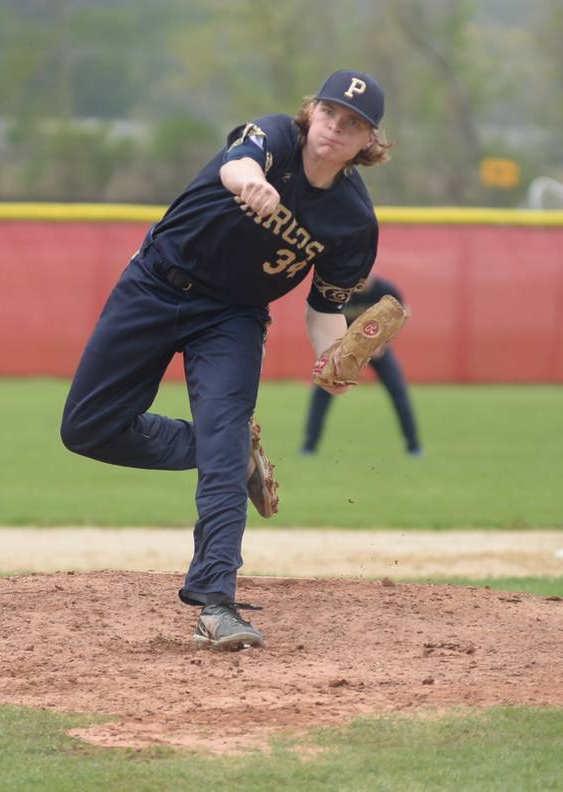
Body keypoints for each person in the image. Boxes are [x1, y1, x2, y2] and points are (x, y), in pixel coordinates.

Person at [61, 69, 392, 651]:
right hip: (155, 282)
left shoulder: (353, 222)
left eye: (354, 125)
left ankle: (217, 603)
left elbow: (324, 308)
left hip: (232, 317)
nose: (336, 129)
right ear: (312, 113)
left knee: (222, 442)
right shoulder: (274, 139)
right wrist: (249, 183)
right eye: (331, 114)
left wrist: (334, 361)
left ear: (368, 142)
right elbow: (236, 164)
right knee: (87, 428)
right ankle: (231, 451)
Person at [300, 273, 422, 456]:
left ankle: (414, 447)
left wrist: (383, 341)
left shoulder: (383, 289)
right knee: (323, 390)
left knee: (398, 391)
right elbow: (325, 316)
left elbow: (405, 311)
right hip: (344, 353)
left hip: (378, 350)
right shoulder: (344, 290)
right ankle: (309, 447)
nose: (363, 278)